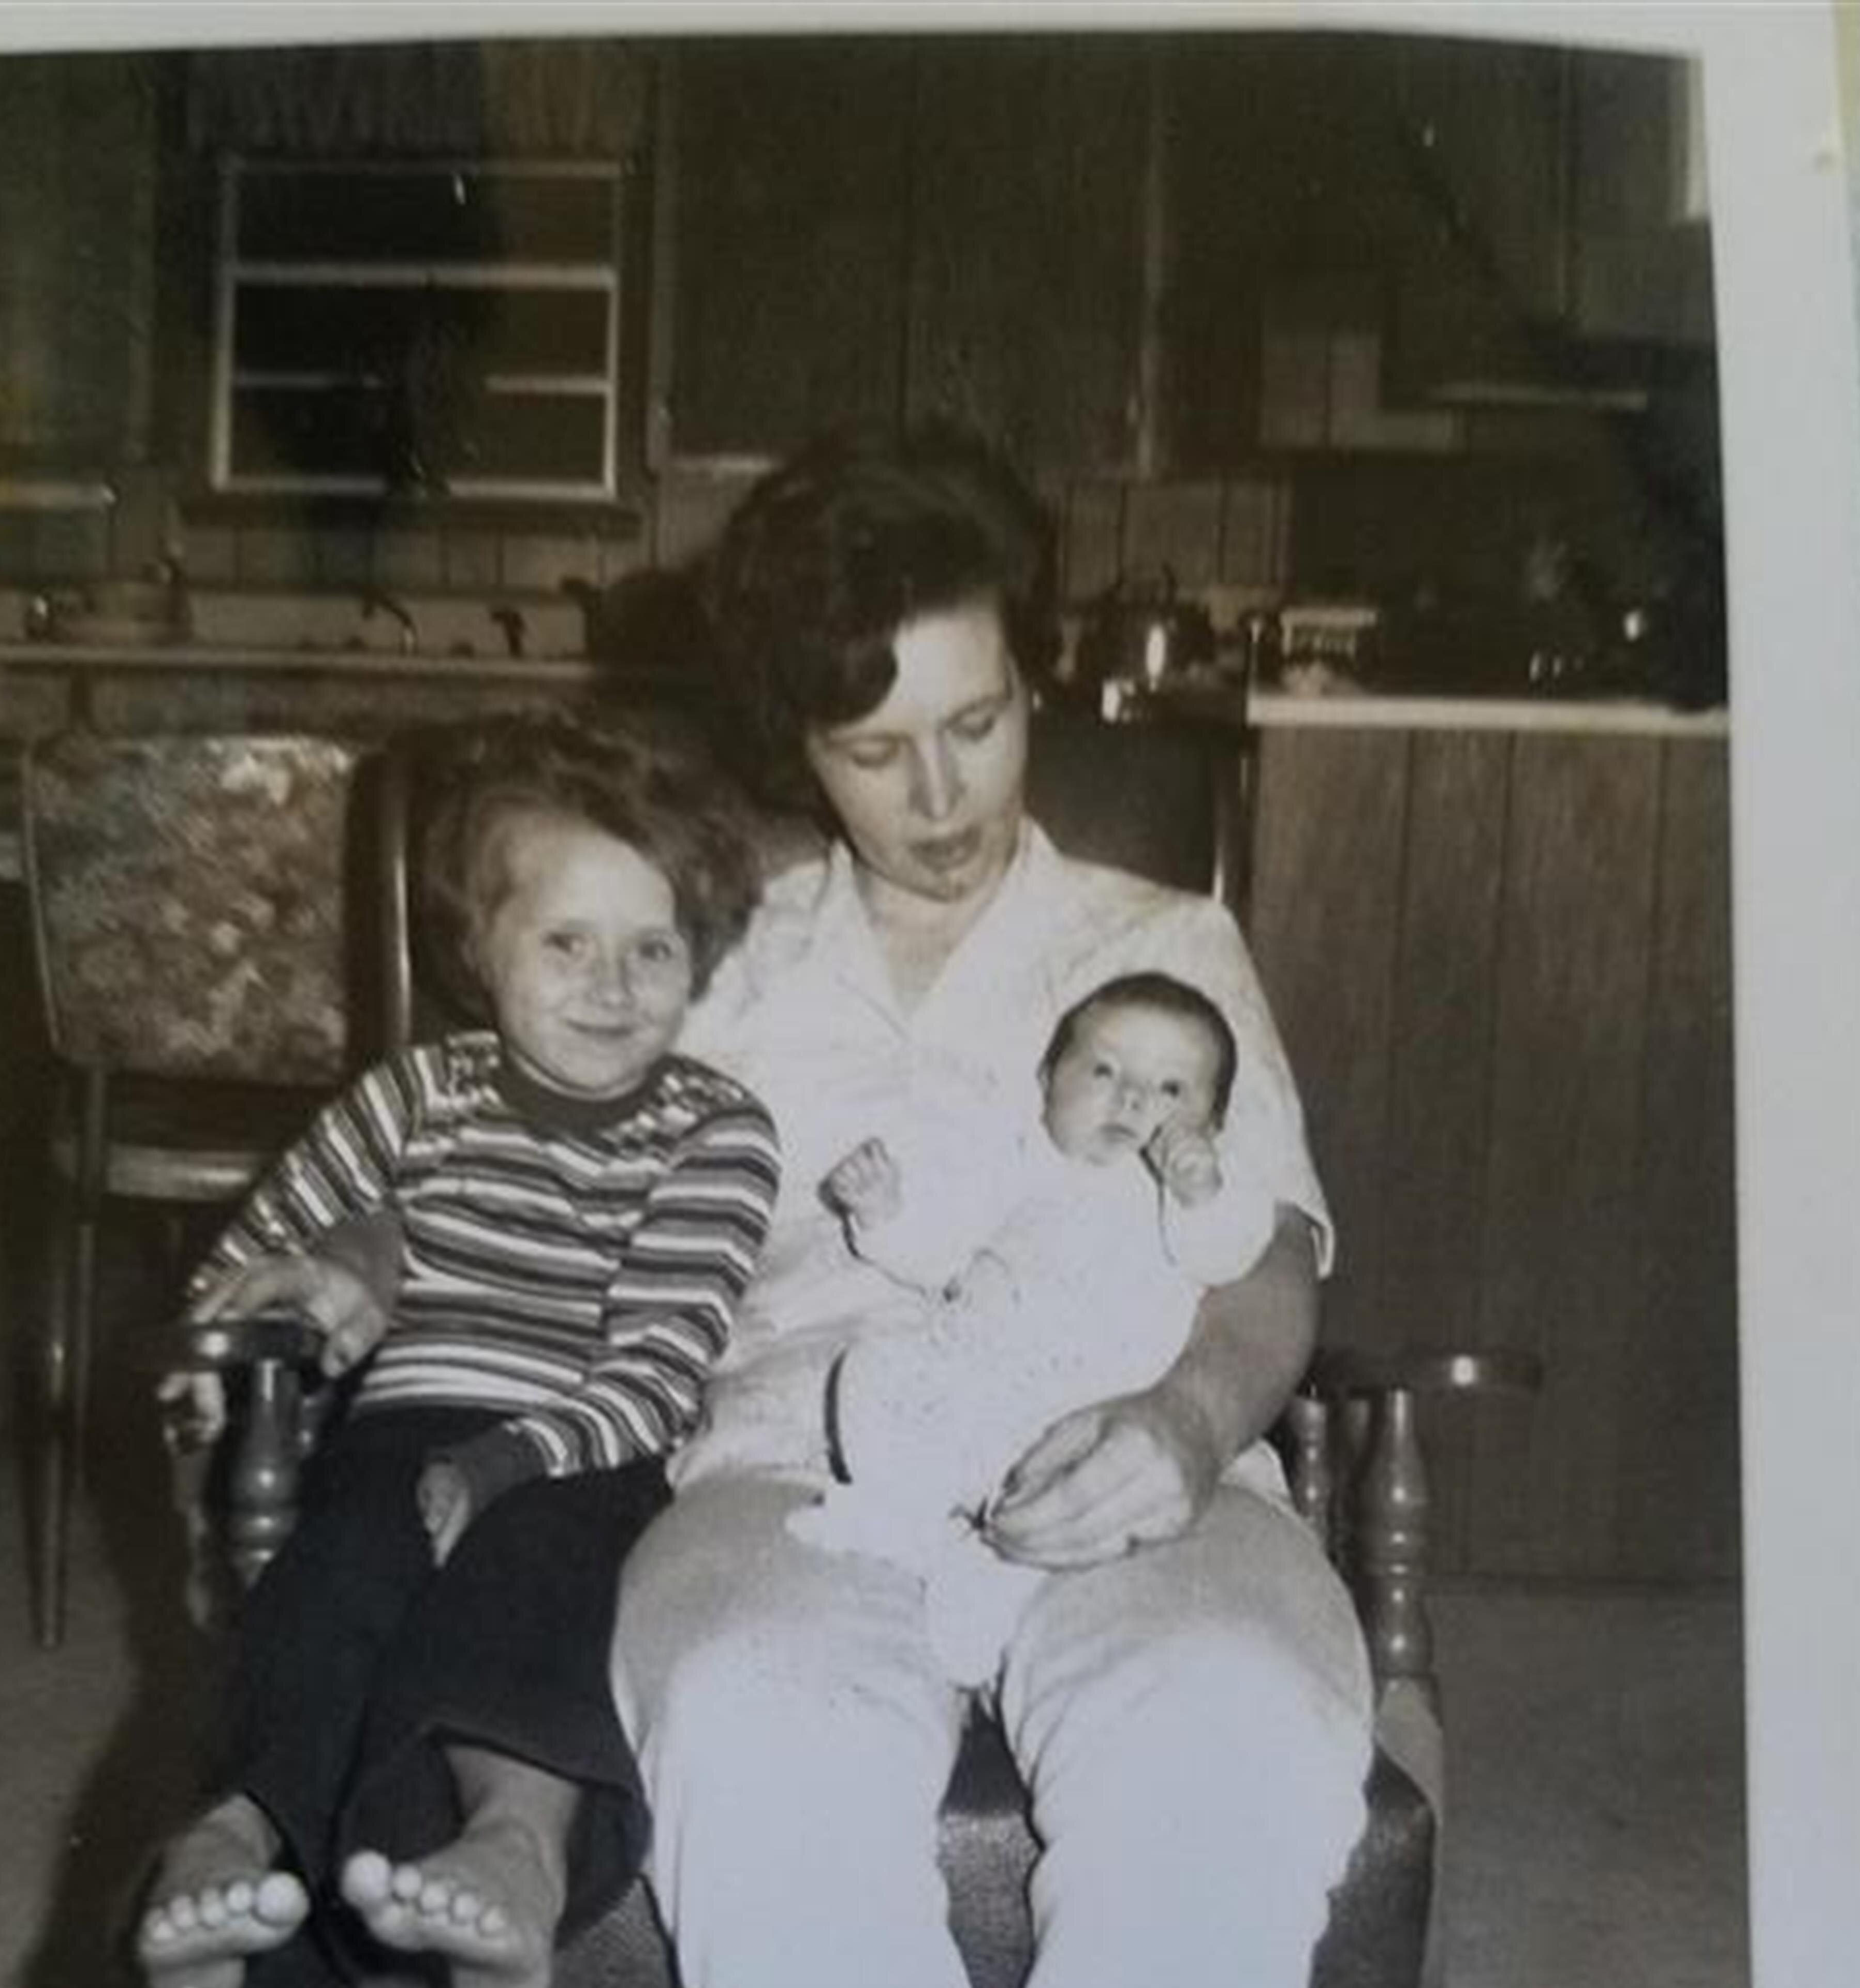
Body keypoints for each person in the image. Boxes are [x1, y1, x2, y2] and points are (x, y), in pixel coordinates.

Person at [608, 422, 1375, 1988]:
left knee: (1225, 1730)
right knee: (759, 1733)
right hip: (798, 1469)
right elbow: (545, 1191)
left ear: (1035, 686)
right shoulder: (718, 965)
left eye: (978, 721)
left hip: (1132, 1444)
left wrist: (1185, 1425)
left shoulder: (1164, 941)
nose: (943, 793)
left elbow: (1268, 1260)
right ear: (798, 747)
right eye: (876, 750)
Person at [134, 723, 781, 1988]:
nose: (612, 985)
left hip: (592, 1447)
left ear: (700, 959)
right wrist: (267, 1329)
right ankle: (241, 1826)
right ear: (480, 950)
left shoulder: (716, 1129)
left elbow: (660, 1368)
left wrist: (507, 1464)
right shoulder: (409, 1099)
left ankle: (515, 1848)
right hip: (402, 1427)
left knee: (540, 1570)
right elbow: (244, 1271)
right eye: (566, 943)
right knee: (339, 1564)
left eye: (654, 949)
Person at [795, 969, 1280, 1689]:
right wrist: (884, 1210)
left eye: (1172, 1090)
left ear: (1213, 1124)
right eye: (1105, 1070)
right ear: (1049, 1081)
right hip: (980, 1377)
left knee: (1073, 1506)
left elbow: (1229, 1254)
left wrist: (1202, 1190)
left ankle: (1001, 1568)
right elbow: (936, 1255)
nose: (1133, 1099)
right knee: (874, 1367)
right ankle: (907, 1517)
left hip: (1094, 1413)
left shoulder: (1192, 1197)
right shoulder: (1015, 1167)